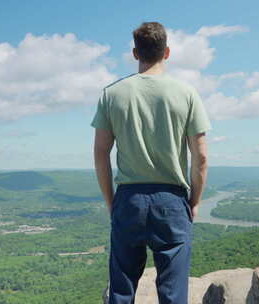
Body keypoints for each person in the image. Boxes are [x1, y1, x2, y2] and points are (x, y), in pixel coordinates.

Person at [91, 21, 211, 304]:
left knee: (121, 289)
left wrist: (112, 202)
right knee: (172, 292)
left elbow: (100, 154)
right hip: (172, 201)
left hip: (129, 199)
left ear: (135, 53)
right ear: (167, 52)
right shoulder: (187, 94)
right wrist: (194, 201)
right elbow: (201, 156)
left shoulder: (111, 94)